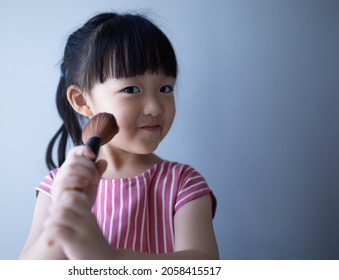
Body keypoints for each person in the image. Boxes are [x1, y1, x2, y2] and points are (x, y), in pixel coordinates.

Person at [19, 12, 219, 260]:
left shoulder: (182, 183)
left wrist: (109, 259)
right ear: (82, 101)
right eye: (131, 89)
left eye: (165, 88)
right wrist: (64, 213)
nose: (155, 107)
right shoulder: (57, 185)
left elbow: (205, 265)